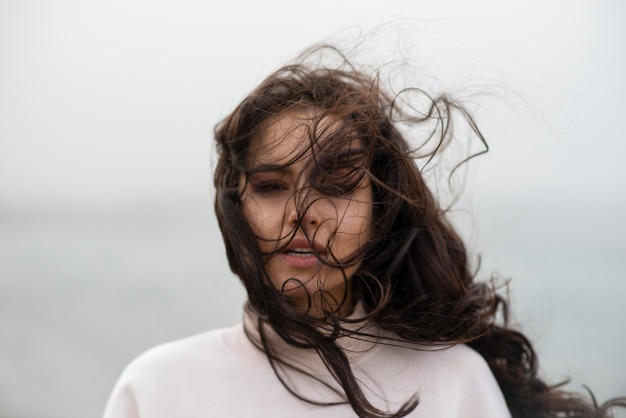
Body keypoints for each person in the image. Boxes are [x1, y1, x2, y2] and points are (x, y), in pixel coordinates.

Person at [103, 45, 624, 418]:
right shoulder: (156, 388)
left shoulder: (455, 382)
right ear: (235, 202)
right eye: (271, 186)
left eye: (335, 185)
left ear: (381, 211)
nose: (303, 213)